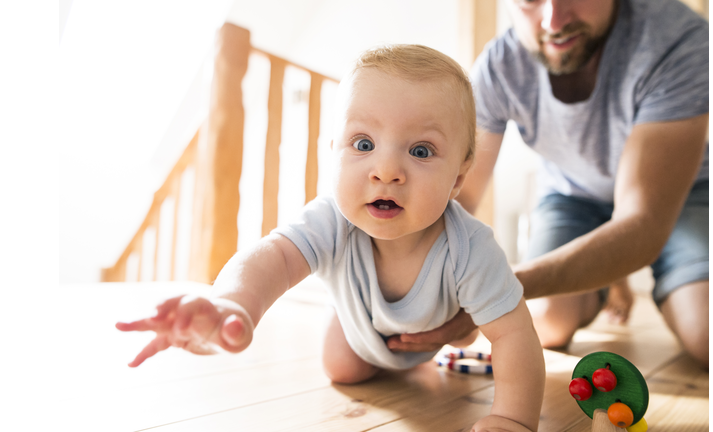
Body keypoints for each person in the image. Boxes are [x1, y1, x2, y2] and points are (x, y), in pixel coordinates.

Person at [117, 44, 546, 432]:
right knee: (340, 368)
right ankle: (348, 313)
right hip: (362, 329)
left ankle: (462, 326)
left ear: (458, 177)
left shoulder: (470, 246)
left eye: (420, 151)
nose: (386, 170)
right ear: (332, 151)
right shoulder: (332, 220)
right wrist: (234, 303)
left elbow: (514, 336)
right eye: (363, 143)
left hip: (440, 326)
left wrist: (512, 418)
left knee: (476, 325)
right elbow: (275, 256)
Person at [386, 0, 710, 369]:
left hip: (682, 195)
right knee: (548, 323)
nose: (554, 20)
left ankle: (616, 272)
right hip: (572, 195)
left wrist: (492, 288)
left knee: (709, 333)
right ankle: (607, 279)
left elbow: (642, 221)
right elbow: (456, 200)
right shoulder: (499, 65)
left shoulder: (680, 41)